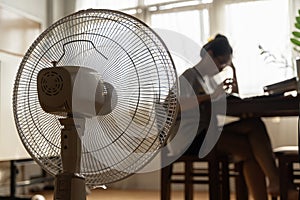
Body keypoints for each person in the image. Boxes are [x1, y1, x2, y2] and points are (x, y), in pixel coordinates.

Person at [175, 34, 297, 200]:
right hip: (189, 138)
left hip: (206, 132)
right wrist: (209, 96)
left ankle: (275, 183)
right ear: (209, 55)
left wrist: (234, 72)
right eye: (220, 63)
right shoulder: (189, 76)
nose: (220, 69)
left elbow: (235, 100)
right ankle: (275, 183)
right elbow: (175, 106)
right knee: (251, 150)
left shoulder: (209, 81)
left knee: (255, 125)